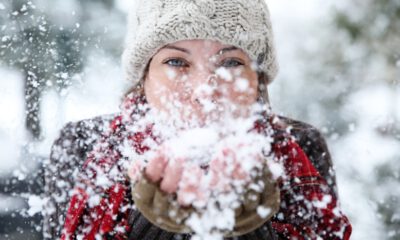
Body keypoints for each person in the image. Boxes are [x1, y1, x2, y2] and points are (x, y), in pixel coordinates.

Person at [43, 0, 352, 239]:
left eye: (230, 62)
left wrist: (246, 221)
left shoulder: (301, 146)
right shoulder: (82, 146)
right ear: (144, 75)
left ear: (256, 79)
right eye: (177, 61)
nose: (205, 91)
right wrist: (153, 223)